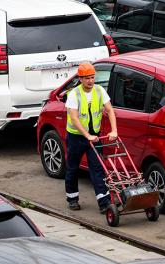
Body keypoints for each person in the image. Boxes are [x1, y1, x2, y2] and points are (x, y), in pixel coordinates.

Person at [65, 62, 117, 213]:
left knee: (97, 168)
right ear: (80, 79)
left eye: (92, 77)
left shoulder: (100, 91)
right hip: (76, 137)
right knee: (73, 168)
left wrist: (114, 130)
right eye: (87, 78)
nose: (90, 81)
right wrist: (86, 135)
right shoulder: (74, 94)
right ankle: (72, 199)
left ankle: (104, 203)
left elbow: (110, 110)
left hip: (95, 137)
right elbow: (74, 118)